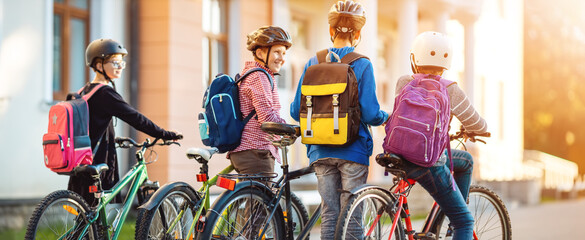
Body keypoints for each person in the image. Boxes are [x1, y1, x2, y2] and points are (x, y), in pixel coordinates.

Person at [290, 1, 389, 238]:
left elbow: (296, 111)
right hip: (353, 149)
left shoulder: (313, 62)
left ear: (331, 31)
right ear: (358, 34)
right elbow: (370, 113)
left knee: (330, 214)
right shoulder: (362, 63)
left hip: (320, 150)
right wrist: (386, 117)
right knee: (352, 215)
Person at [394, 31, 488, 240]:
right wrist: (482, 128)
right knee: (464, 220)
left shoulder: (403, 82)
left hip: (399, 155)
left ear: (415, 59)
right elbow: (476, 123)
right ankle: (455, 225)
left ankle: (441, 222)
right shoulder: (450, 89)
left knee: (464, 160)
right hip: (428, 162)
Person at [68, 38, 182, 206]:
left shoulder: (83, 91)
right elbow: (136, 118)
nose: (120, 66)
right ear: (99, 66)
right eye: (115, 62)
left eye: (122, 62)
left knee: (86, 222)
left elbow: (92, 125)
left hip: (81, 163)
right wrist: (164, 134)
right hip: (98, 164)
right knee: (99, 220)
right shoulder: (105, 93)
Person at [227, 26, 291, 175]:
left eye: (283, 53)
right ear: (260, 52)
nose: (282, 58)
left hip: (249, 151)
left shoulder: (254, 74)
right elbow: (267, 118)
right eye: (277, 52)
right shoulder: (259, 77)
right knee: (261, 198)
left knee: (252, 197)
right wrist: (291, 129)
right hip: (256, 151)